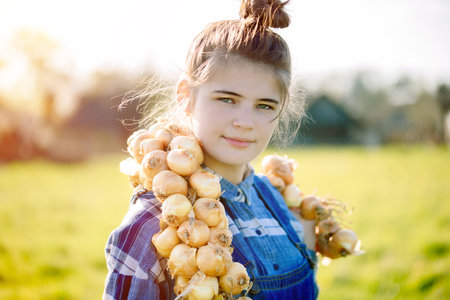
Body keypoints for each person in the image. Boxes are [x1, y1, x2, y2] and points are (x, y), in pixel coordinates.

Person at [103, 0, 319, 299]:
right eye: (227, 99)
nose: (244, 122)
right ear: (185, 96)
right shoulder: (151, 223)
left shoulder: (278, 201)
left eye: (264, 106)